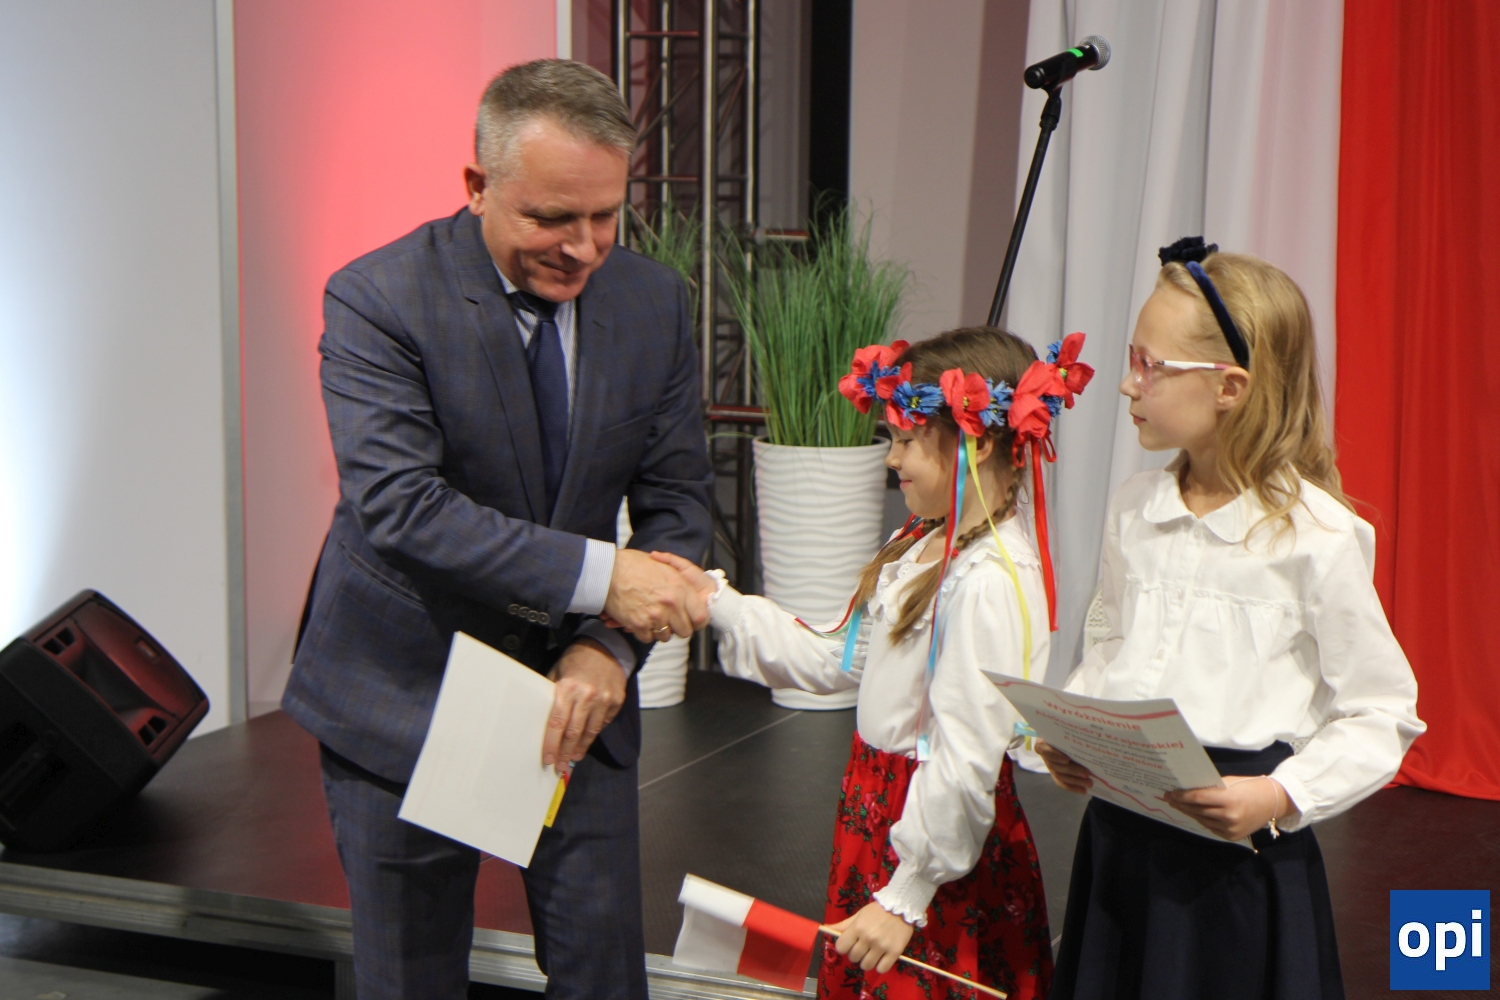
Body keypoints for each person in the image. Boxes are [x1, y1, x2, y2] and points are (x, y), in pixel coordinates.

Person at [281, 60, 713, 1000]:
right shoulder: (378, 298)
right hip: (405, 690)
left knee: (605, 978)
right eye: (552, 218)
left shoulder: (652, 301)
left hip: (577, 698)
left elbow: (681, 503)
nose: (584, 247)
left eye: (606, 215)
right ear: (477, 185)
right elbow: (402, 506)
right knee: (413, 980)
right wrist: (607, 579)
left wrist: (608, 646)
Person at [1039, 238, 1426, 1000]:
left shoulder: (1315, 537)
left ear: (1229, 387)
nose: (1127, 384)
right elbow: (1110, 640)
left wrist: (1278, 796)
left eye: (1150, 365)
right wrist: (1080, 730)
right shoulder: (1134, 508)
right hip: (1122, 843)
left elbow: (1384, 713)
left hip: (1236, 860)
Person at [658, 327, 1087, 1000]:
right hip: (878, 811)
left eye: (907, 440)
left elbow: (965, 754)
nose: (893, 459)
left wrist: (907, 893)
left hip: (930, 839)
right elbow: (838, 657)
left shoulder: (987, 581)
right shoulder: (919, 542)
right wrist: (719, 604)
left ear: (975, 441)